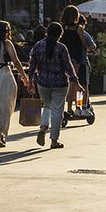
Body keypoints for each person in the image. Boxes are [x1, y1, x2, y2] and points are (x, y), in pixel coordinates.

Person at [27, 21, 78, 149]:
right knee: (57, 111)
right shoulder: (61, 48)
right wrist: (74, 79)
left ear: (47, 32)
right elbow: (68, 66)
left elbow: (32, 64)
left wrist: (30, 80)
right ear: (60, 34)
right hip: (60, 83)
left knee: (47, 106)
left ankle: (43, 128)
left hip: (43, 82)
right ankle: (54, 140)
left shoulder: (38, 46)